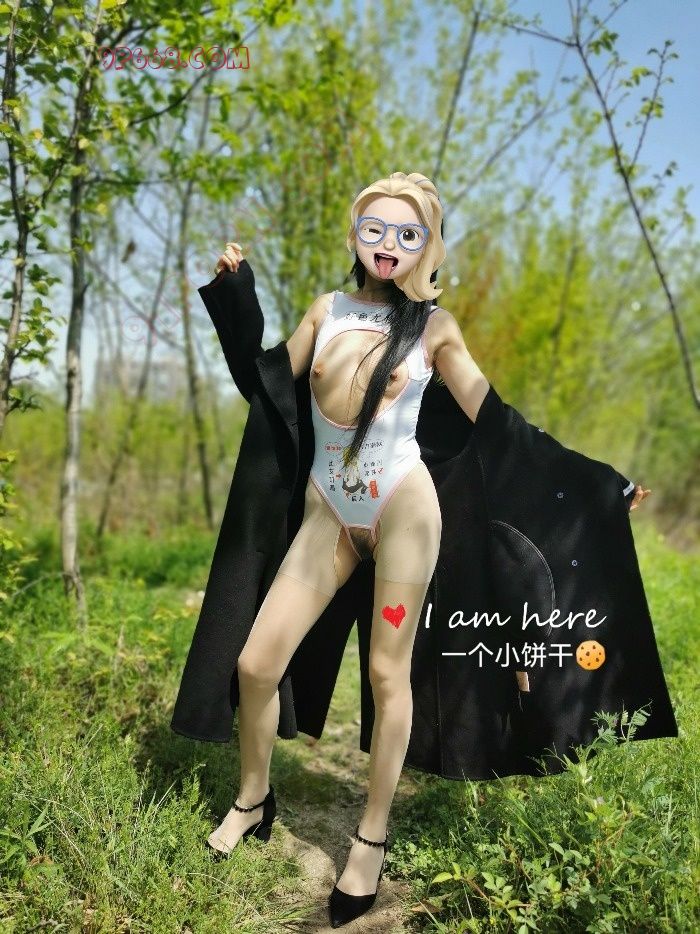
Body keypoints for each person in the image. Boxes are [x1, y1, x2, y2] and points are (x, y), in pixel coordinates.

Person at [203, 172, 651, 927]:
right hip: (330, 514)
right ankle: (253, 799)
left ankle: (371, 836)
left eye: (408, 234)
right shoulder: (327, 310)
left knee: (388, 673)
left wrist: (599, 482)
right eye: (375, 229)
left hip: (405, 512)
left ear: (428, 246)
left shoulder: (435, 329)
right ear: (356, 236)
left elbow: (497, 422)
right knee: (255, 665)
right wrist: (235, 297)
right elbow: (265, 385)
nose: (389, 244)